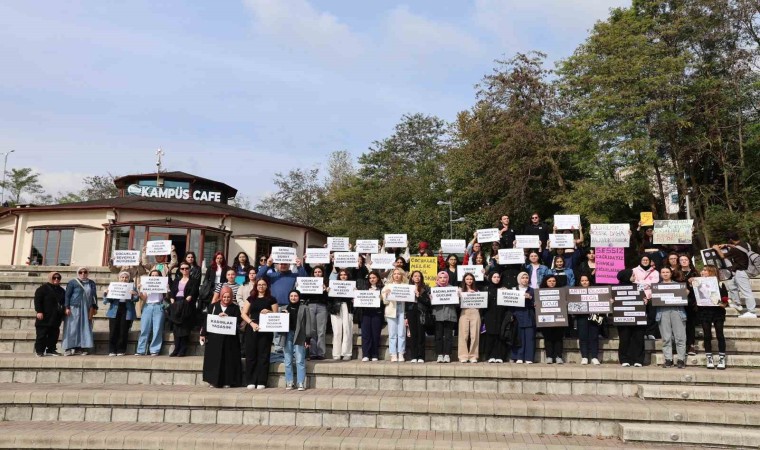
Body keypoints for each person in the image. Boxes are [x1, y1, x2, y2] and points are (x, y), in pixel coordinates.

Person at [257, 254, 308, 358]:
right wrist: (267, 265)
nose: (283, 265)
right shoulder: (272, 276)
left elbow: (305, 280)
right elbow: (259, 276)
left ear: (289, 264)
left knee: (290, 329)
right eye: (281, 263)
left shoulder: (294, 275)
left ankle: (291, 351)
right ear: (277, 264)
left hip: (289, 306)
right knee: (277, 329)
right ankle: (278, 350)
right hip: (274, 306)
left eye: (285, 263)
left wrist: (300, 266)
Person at [200, 286, 242, 388]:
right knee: (213, 359)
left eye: (228, 297)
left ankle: (228, 381)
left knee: (228, 360)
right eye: (224, 297)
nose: (226, 299)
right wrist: (203, 334)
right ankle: (213, 381)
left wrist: (228, 318)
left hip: (229, 340)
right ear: (221, 296)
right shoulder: (213, 306)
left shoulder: (235, 308)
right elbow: (207, 321)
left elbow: (239, 323)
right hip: (214, 339)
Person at [241, 278, 278, 389]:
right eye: (259, 285)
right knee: (251, 355)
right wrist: (251, 323)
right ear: (256, 286)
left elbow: (276, 314)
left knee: (263, 355)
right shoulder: (250, 299)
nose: (261, 286)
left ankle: (262, 381)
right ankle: (251, 381)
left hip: (266, 330)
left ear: (267, 286)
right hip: (252, 328)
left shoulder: (271, 299)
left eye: (263, 284)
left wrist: (269, 312)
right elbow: (244, 314)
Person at [712, 233, 757, 318]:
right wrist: (725, 245)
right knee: (732, 285)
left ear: (731, 239)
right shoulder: (744, 244)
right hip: (739, 271)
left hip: (741, 272)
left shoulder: (735, 250)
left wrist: (717, 249)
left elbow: (723, 256)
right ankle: (737, 304)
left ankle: (752, 311)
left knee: (746, 292)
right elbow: (735, 246)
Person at [694, 265, 729, 370]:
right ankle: (709, 357)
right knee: (707, 335)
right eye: (702, 270)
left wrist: (721, 303)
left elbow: (725, 300)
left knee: (719, 334)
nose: (702, 272)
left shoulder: (720, 284)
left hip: (718, 312)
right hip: (704, 311)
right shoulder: (697, 283)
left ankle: (722, 358)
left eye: (705, 270)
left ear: (711, 272)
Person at [656, 266, 687, 369]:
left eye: (667, 272)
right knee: (666, 337)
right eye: (663, 272)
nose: (665, 274)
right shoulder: (656, 287)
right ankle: (668, 359)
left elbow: (686, 293)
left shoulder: (678, 285)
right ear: (660, 274)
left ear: (671, 273)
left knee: (680, 336)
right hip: (662, 312)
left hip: (677, 311)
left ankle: (681, 359)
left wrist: (685, 292)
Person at [63, 267, 98, 356]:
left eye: (85, 272)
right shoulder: (72, 282)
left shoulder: (91, 283)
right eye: (80, 272)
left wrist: (94, 307)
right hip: (75, 306)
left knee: (84, 327)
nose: (83, 274)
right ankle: (69, 347)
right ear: (78, 273)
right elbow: (67, 295)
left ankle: (81, 347)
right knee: (72, 327)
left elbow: (94, 296)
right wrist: (67, 307)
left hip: (87, 308)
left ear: (88, 273)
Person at [103, 271, 138, 356]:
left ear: (128, 279)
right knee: (113, 330)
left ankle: (121, 350)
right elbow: (107, 301)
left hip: (127, 309)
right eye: (122, 277)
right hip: (115, 309)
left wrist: (134, 294)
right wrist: (106, 294)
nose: (124, 279)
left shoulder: (132, 287)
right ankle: (112, 350)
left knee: (123, 330)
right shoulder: (113, 286)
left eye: (126, 277)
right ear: (119, 278)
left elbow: (136, 299)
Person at [616, 268, 646, 368]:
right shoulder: (615, 288)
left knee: (638, 338)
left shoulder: (638, 287)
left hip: (637, 317)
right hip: (622, 318)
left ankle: (638, 360)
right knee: (624, 339)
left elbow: (644, 298)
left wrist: (645, 301)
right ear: (626, 277)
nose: (634, 277)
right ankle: (624, 359)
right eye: (632, 275)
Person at [284, 290, 313, 390]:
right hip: (287, 335)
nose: (293, 297)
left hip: (300, 335)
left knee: (300, 359)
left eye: (295, 296)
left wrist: (308, 338)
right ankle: (289, 382)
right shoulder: (284, 308)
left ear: (299, 297)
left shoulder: (304, 308)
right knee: (288, 360)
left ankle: (300, 382)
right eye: (291, 296)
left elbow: (308, 323)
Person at [167, 265, 199, 357]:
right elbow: (173, 291)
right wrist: (172, 299)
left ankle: (183, 349)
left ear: (190, 269)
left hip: (186, 304)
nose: (184, 270)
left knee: (184, 328)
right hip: (176, 303)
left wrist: (187, 300)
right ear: (180, 270)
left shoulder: (194, 280)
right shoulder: (177, 280)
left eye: (186, 268)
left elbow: (194, 292)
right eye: (182, 268)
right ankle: (176, 348)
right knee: (176, 328)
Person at [136, 269, 168, 356]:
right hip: (148, 306)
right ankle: (141, 350)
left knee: (157, 329)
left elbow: (166, 297)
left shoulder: (163, 284)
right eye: (152, 275)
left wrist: (167, 288)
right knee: (144, 329)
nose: (154, 277)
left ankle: (154, 350)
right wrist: (139, 291)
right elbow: (144, 298)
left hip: (158, 306)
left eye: (156, 275)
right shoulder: (146, 284)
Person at [34, 272, 65, 357]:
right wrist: (39, 311)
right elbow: (38, 301)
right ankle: (39, 351)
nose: (56, 279)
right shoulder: (42, 289)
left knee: (54, 334)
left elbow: (64, 302)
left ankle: (51, 350)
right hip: (44, 316)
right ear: (50, 278)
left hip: (56, 316)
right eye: (54, 277)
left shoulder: (61, 290)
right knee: (42, 334)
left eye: (58, 278)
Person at [382, 268, 408, 362]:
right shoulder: (387, 286)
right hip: (391, 312)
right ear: (392, 276)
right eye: (395, 274)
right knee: (392, 334)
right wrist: (387, 295)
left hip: (402, 312)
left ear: (402, 275)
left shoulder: (406, 286)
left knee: (401, 333)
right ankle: (393, 354)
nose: (397, 275)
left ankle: (401, 353)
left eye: (399, 274)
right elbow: (385, 302)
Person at [328, 268, 354, 360]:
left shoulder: (352, 285)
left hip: (348, 307)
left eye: (345, 275)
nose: (343, 276)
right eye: (341, 275)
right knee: (337, 331)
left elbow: (355, 299)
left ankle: (347, 353)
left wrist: (356, 293)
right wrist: (329, 291)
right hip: (336, 308)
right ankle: (336, 354)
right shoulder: (334, 285)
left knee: (347, 330)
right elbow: (330, 300)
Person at [303, 266, 329, 361]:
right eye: (315, 272)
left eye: (319, 272)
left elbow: (328, 299)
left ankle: (321, 353)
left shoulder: (327, 283)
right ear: (313, 274)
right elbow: (304, 296)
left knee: (321, 331)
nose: (317, 274)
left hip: (322, 307)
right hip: (311, 306)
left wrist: (326, 291)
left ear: (322, 273)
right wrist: (300, 286)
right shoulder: (309, 283)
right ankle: (313, 353)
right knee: (312, 330)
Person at [510, 272, 535, 364]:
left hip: (529, 316)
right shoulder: (513, 290)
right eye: (523, 278)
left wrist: (531, 298)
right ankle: (518, 356)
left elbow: (536, 304)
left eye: (526, 277)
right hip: (517, 316)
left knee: (529, 337)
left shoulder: (532, 290)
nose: (525, 279)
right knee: (518, 338)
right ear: (519, 279)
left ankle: (529, 357)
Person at [576, 274, 601, 365]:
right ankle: (584, 357)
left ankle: (594, 357)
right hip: (581, 317)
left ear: (589, 281)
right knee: (583, 337)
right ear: (579, 282)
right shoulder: (575, 291)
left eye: (586, 280)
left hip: (594, 316)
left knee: (594, 336)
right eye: (582, 280)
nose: (584, 282)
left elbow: (603, 300)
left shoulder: (596, 290)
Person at [633, 255, 660, 340]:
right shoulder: (634, 270)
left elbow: (655, 283)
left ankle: (651, 332)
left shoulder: (655, 272)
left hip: (652, 296)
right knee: (641, 315)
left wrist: (641, 283)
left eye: (647, 260)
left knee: (652, 315)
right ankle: (643, 332)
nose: (645, 261)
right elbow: (634, 282)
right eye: (643, 260)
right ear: (640, 261)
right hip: (639, 296)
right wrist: (647, 284)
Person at [359, 271, 384, 362]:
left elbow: (385, 301)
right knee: (366, 335)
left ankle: (374, 354)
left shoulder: (382, 288)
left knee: (375, 334)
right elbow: (359, 299)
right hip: (365, 313)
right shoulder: (364, 288)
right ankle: (366, 354)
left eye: (374, 277)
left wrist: (382, 298)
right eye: (370, 278)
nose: (372, 279)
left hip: (377, 313)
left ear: (377, 278)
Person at [483, 271, 507, 363]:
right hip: (489, 314)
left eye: (498, 277)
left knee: (500, 335)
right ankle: (490, 355)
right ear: (490, 278)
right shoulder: (486, 288)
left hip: (501, 314)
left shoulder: (503, 289)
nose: (496, 279)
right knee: (490, 335)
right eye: (494, 277)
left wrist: (506, 292)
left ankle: (500, 355)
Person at [433, 271, 457, 363]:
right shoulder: (434, 289)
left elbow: (457, 304)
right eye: (441, 277)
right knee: (438, 336)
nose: (443, 279)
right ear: (437, 279)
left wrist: (458, 296)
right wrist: (430, 298)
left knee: (448, 336)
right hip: (437, 315)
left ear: (448, 279)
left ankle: (447, 355)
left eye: (445, 277)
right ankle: (439, 354)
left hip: (449, 315)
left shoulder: (453, 289)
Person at [540, 275, 565, 364]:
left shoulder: (562, 292)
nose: (552, 282)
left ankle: (559, 356)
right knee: (548, 338)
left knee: (558, 338)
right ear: (546, 282)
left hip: (559, 319)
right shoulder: (540, 292)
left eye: (553, 281)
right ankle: (549, 356)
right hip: (546, 319)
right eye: (549, 281)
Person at [407, 270, 431, 363]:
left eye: (419, 276)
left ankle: (421, 356)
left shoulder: (426, 288)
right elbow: (405, 303)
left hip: (421, 313)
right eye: (415, 276)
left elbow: (428, 302)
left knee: (421, 335)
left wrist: (419, 295)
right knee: (413, 335)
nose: (417, 277)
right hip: (411, 312)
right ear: (412, 278)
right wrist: (405, 316)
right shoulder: (408, 288)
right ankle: (414, 356)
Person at [457, 272, 481, 363]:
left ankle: (473, 356)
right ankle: (463, 356)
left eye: (471, 279)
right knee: (463, 334)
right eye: (467, 279)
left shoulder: (477, 290)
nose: (469, 281)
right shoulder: (460, 290)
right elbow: (456, 301)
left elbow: (481, 302)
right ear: (464, 280)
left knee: (475, 335)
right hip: (464, 312)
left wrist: (474, 294)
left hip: (475, 311)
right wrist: (463, 294)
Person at [678, 255, 699, 356]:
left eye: (686, 259)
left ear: (689, 261)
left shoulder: (695, 273)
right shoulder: (676, 273)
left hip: (691, 302)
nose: (684, 261)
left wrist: (692, 285)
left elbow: (701, 287)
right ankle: (681, 346)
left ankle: (691, 345)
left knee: (690, 324)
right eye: (681, 260)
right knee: (680, 325)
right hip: (679, 301)